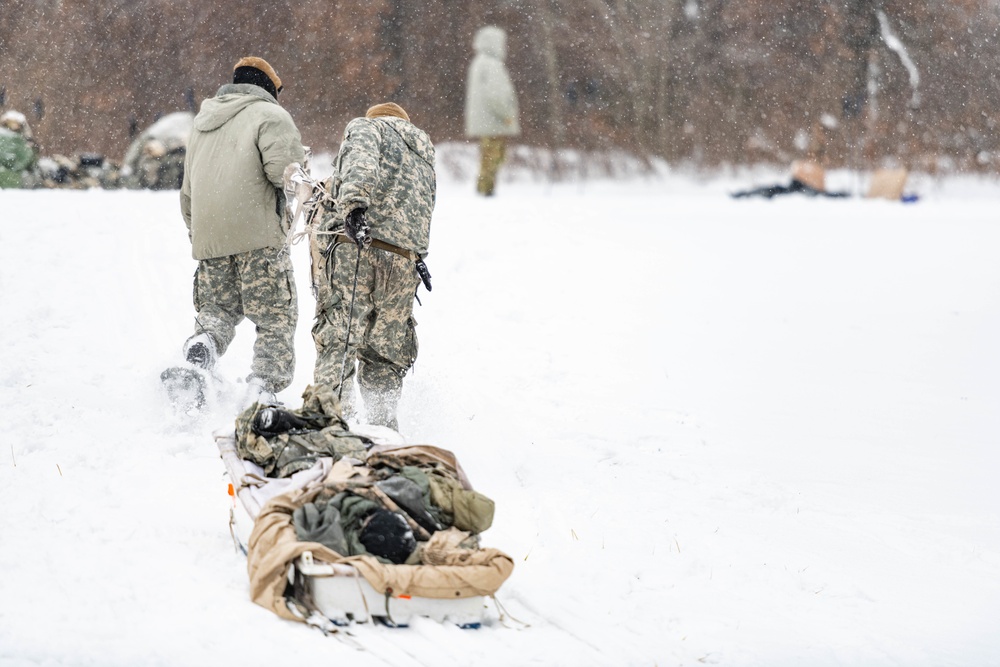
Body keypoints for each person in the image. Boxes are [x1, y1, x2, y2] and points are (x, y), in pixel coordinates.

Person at [179, 56, 306, 405]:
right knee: (275, 314)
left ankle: (202, 349)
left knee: (217, 310)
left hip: (210, 237)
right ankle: (263, 387)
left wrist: (200, 235)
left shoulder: (202, 122)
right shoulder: (271, 116)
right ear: (269, 87)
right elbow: (286, 172)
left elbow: (187, 191)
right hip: (259, 237)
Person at [313, 102, 435, 431]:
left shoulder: (369, 127)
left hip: (358, 248)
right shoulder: (424, 150)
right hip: (404, 262)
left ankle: (331, 425)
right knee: (384, 354)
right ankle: (383, 431)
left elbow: (360, 163)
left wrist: (353, 205)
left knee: (339, 342)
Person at [464, 26, 520, 196]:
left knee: (487, 156)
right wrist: (507, 114)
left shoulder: (479, 63)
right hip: (494, 121)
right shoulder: (492, 65)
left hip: (484, 120)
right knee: (494, 157)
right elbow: (497, 95)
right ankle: (486, 190)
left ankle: (484, 188)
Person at [0, 110, 38, 189]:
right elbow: (26, 159)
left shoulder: (22, 139)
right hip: (15, 177)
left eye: (15, 124)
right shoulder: (17, 139)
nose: (13, 126)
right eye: (10, 123)